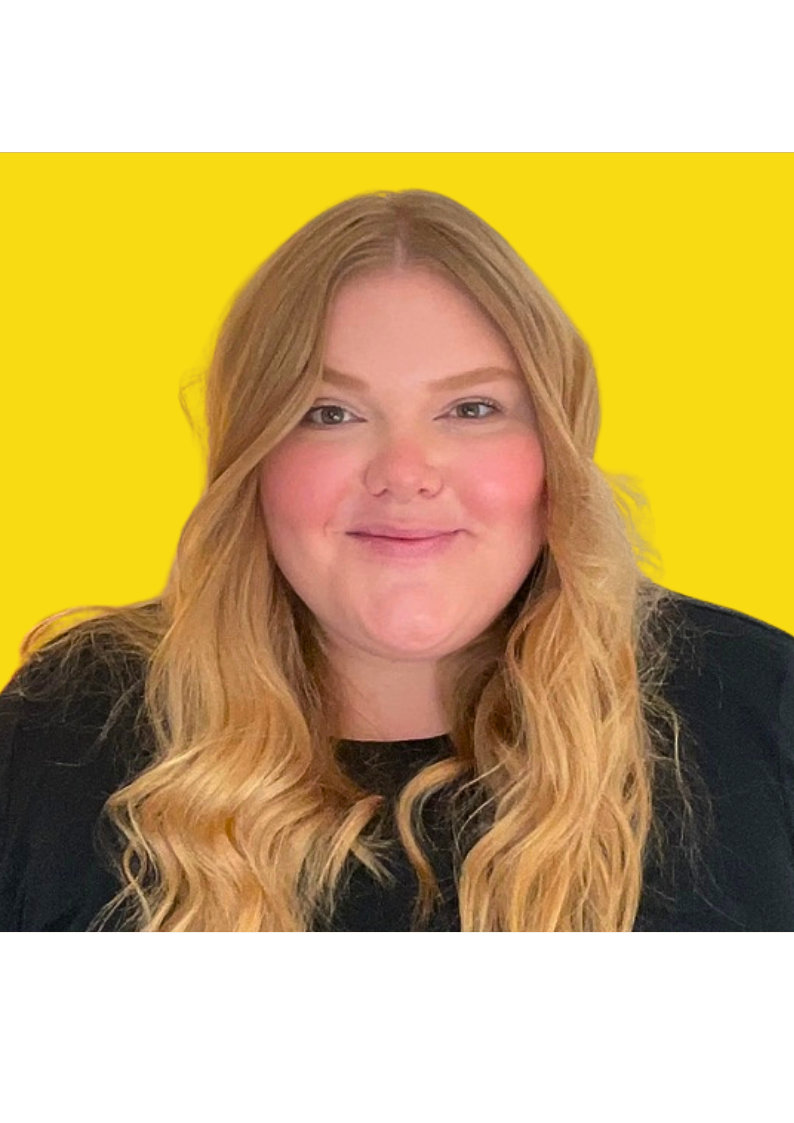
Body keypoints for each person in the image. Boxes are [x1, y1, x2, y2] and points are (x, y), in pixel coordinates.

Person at [1, 189, 793, 933]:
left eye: (472, 408)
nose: (405, 471)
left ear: (556, 446)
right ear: (252, 456)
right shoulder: (66, 729)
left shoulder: (759, 706)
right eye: (330, 412)